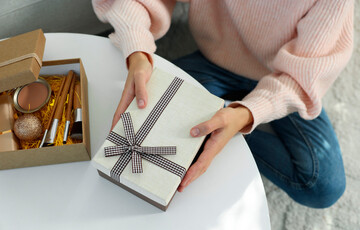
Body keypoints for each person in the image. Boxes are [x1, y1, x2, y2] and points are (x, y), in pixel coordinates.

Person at [92, 0, 354, 208]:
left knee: (322, 186)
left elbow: (306, 73)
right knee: (156, 124)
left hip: (286, 76)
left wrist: (246, 114)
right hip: (213, 60)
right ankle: (219, 123)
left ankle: (223, 124)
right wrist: (137, 50)